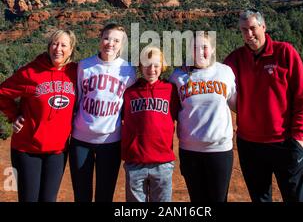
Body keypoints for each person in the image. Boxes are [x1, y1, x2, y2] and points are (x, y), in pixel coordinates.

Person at [224, 9, 303, 202]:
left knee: (296, 198)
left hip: (285, 142)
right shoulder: (235, 59)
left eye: (253, 28)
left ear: (263, 27)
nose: (249, 34)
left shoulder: (285, 52)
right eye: (244, 30)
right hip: (249, 145)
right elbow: (215, 77)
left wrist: (298, 136)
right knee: (260, 199)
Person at [0, 30, 77, 202]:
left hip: (57, 151)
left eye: (63, 45)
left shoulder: (75, 72)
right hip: (27, 149)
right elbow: (2, 93)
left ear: (71, 50)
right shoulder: (31, 72)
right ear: (49, 47)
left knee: (49, 199)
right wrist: (14, 115)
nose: (58, 49)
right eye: (54, 44)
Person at [69, 23, 136, 202]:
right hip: (80, 140)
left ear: (121, 44)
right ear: (100, 39)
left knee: (105, 195)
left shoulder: (129, 71)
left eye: (116, 40)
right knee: (81, 195)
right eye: (107, 38)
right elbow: (77, 98)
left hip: (111, 142)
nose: (110, 43)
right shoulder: (85, 66)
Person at [169, 32, 237, 202]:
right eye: (194, 48)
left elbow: (237, 105)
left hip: (220, 150)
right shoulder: (178, 76)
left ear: (212, 49)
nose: (199, 52)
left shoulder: (225, 72)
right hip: (190, 151)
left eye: (204, 47)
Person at [121, 46, 179, 202]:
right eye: (146, 64)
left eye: (156, 65)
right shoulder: (129, 92)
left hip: (162, 162)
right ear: (140, 66)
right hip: (135, 160)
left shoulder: (170, 90)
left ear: (162, 66)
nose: (151, 69)